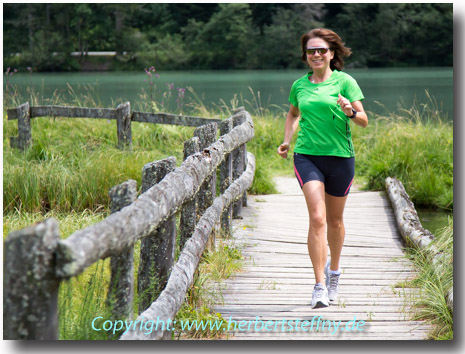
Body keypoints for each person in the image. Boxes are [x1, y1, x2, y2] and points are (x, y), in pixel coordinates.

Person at [277, 28, 368, 309]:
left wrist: (349, 111)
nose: (316, 54)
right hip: (307, 156)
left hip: (340, 157)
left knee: (335, 221)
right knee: (317, 218)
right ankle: (318, 285)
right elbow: (293, 113)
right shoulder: (299, 86)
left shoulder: (345, 82)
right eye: (311, 51)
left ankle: (334, 273)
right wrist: (286, 141)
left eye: (321, 50)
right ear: (305, 56)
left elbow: (363, 120)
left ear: (331, 54)